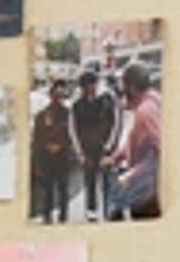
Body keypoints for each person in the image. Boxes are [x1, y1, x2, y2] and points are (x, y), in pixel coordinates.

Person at [111, 65, 162, 221]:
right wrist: (116, 157)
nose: (121, 89)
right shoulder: (152, 100)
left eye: (123, 84)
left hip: (147, 191)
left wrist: (130, 175)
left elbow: (161, 153)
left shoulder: (145, 112)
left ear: (131, 87)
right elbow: (138, 141)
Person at [69, 65, 119, 221]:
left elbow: (115, 124)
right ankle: (91, 215)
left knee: (107, 184)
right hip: (87, 151)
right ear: (82, 87)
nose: (91, 88)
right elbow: (74, 130)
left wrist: (110, 147)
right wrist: (80, 154)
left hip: (105, 150)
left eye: (93, 84)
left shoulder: (107, 100)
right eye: (87, 85)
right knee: (89, 185)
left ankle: (109, 213)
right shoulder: (77, 105)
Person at [28, 78, 77, 224]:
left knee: (63, 190)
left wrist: (62, 146)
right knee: (47, 191)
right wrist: (37, 162)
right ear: (50, 95)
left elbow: (73, 136)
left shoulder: (68, 115)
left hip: (62, 158)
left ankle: (63, 217)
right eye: (55, 95)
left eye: (60, 95)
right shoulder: (41, 116)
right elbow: (37, 140)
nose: (57, 98)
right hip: (47, 159)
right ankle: (47, 216)